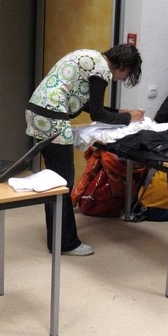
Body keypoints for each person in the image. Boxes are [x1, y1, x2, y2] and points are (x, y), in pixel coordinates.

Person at [25, 45, 144, 255]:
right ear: (123, 66)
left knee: (54, 180)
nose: (122, 79)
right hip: (53, 118)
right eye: (125, 75)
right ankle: (65, 242)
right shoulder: (102, 70)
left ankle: (58, 238)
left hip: (38, 113)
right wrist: (128, 118)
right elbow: (97, 114)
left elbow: (86, 104)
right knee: (62, 183)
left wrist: (119, 112)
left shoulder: (91, 57)